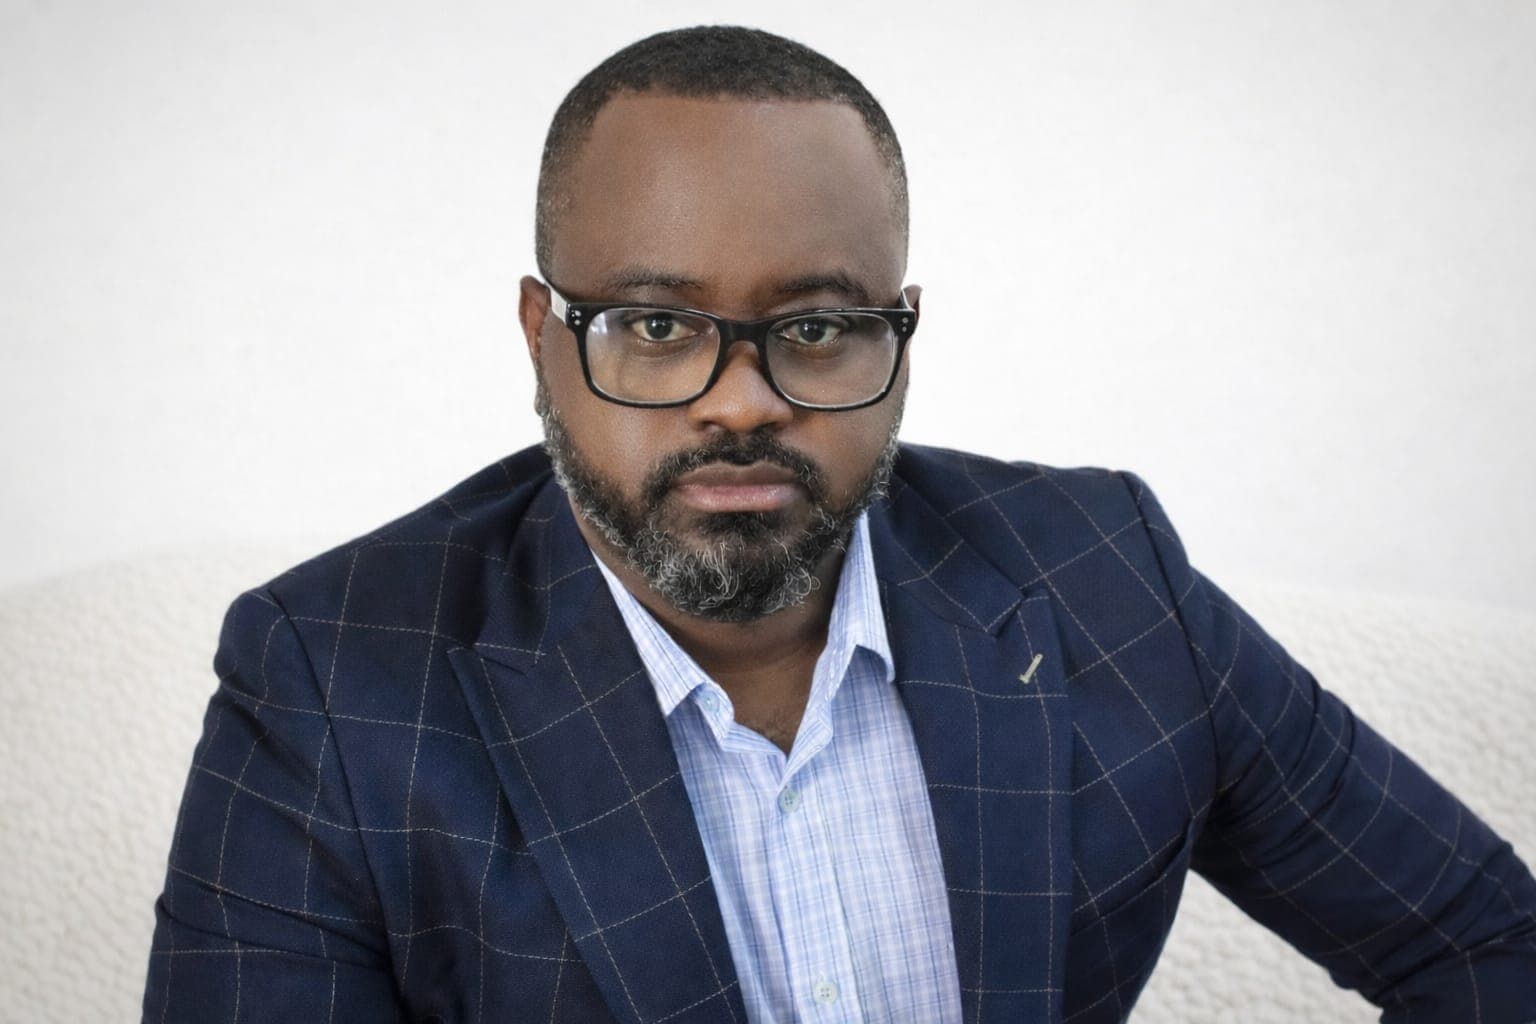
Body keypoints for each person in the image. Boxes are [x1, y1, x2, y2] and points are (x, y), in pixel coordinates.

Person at [143, 25, 1536, 1023]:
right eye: (653, 323)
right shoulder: (334, 680)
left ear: (903, 333)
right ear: (540, 335)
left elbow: (1483, 941)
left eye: (815, 327)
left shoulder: (1105, 576)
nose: (739, 403)